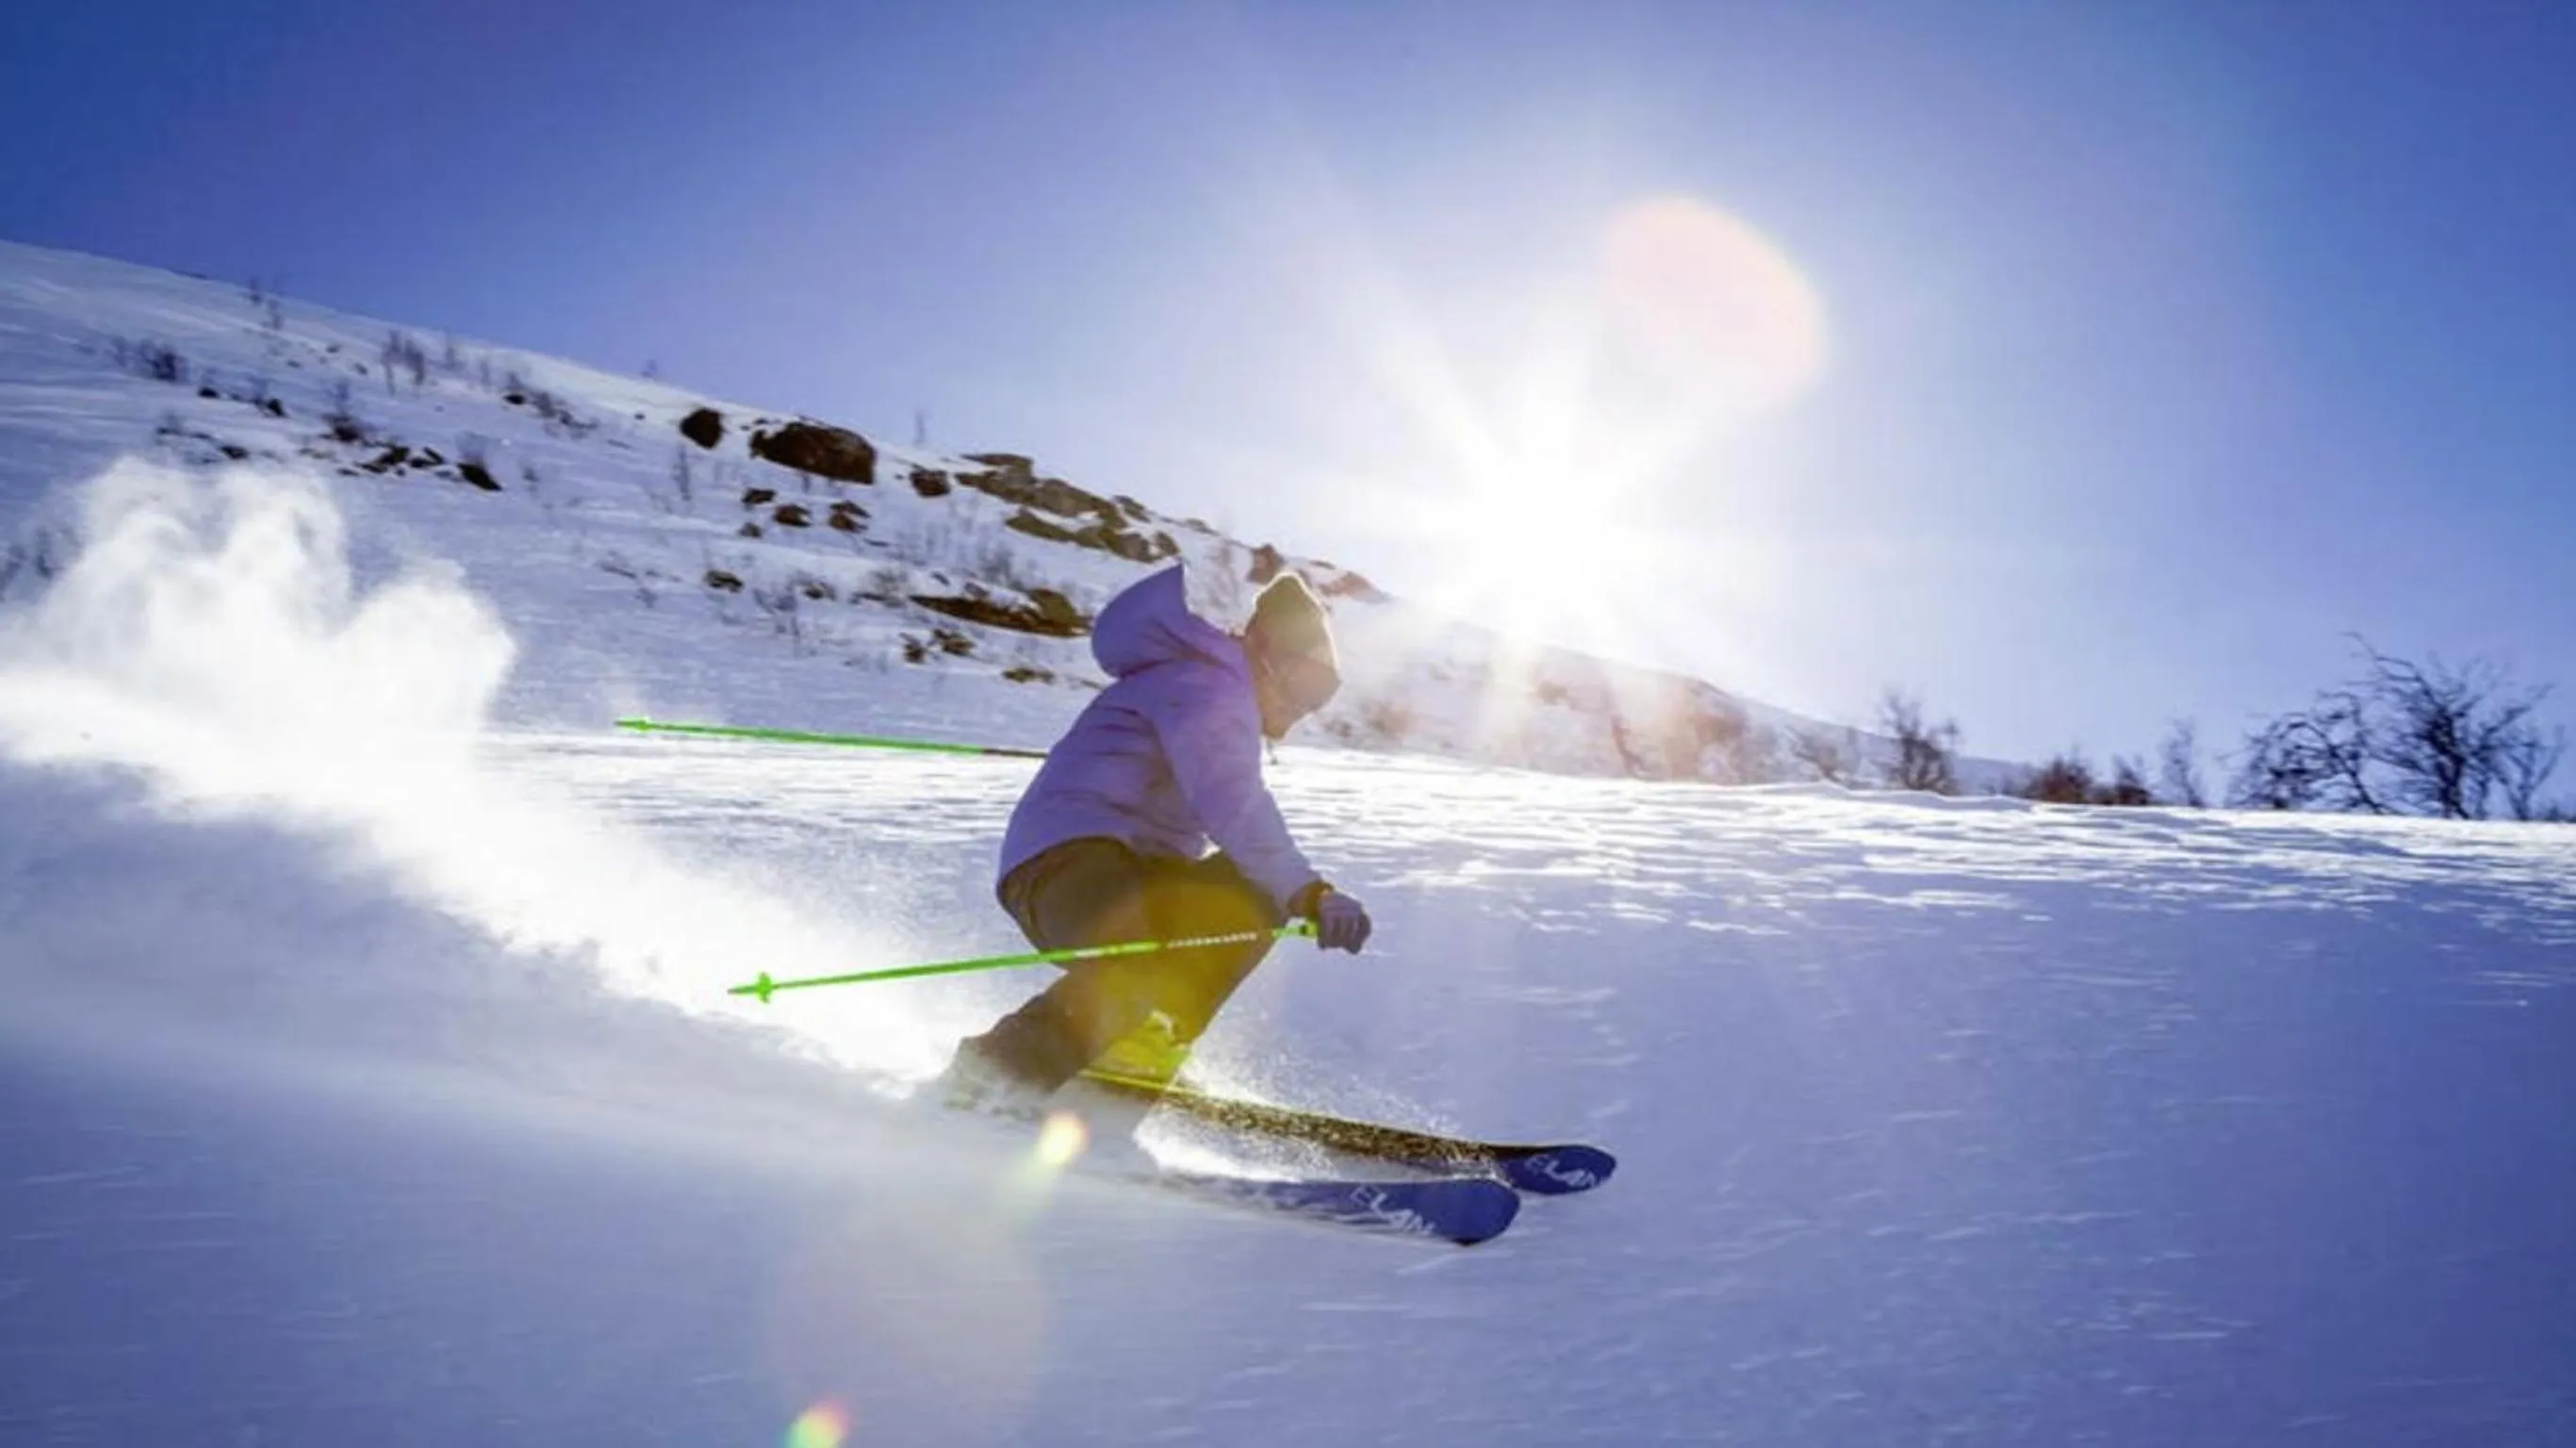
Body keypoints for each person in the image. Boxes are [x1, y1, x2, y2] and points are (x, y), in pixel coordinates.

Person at [932, 563, 1372, 1118]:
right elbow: (1232, 801)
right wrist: (1309, 890)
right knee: (1137, 952)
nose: (1302, 709)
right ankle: (995, 1075)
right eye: (1304, 684)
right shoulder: (1208, 685)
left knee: (1247, 893)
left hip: (1129, 865)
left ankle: (1137, 1054)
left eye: (1322, 695)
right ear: (1261, 648)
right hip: (1064, 864)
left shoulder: (1214, 687)